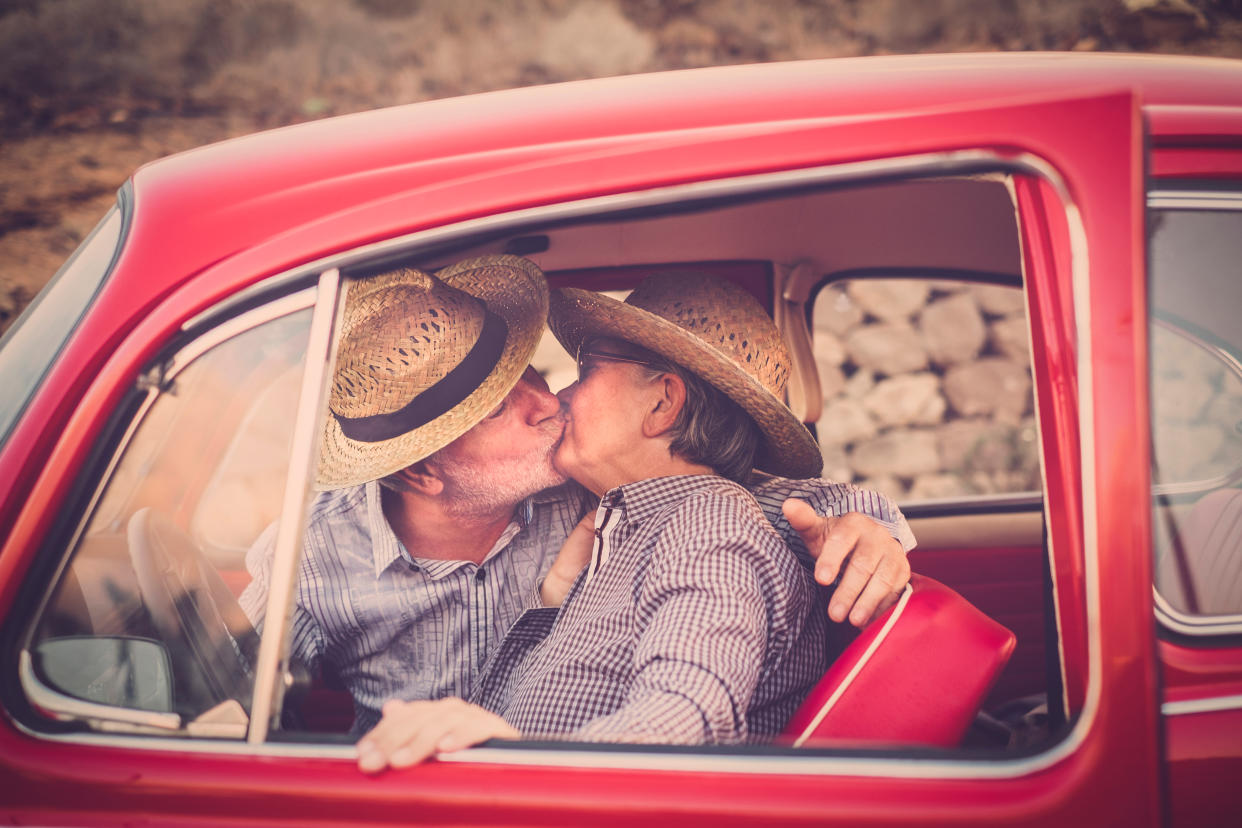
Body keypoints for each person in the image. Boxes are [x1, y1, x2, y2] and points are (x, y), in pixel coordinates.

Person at [242, 256, 915, 736]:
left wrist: (869, 531)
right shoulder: (313, 553)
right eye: (500, 408)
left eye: (536, 373)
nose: (550, 401)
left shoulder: (611, 493)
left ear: (663, 402)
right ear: (418, 473)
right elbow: (235, 702)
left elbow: (728, 501)